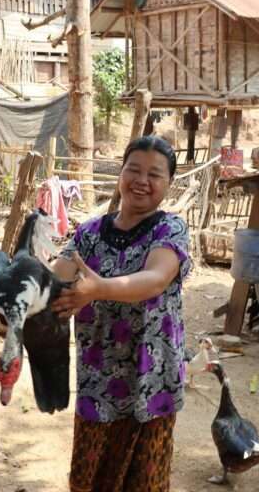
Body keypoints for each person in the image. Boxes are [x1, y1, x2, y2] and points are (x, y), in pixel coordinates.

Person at [51, 136, 191, 492]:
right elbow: (57, 278)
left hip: (151, 379)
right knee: (89, 479)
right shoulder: (88, 234)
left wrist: (98, 289)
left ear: (168, 184)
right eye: (134, 169)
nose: (141, 180)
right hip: (99, 381)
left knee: (144, 482)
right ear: (120, 173)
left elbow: (155, 279)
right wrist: (22, 297)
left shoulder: (170, 229)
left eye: (154, 174)